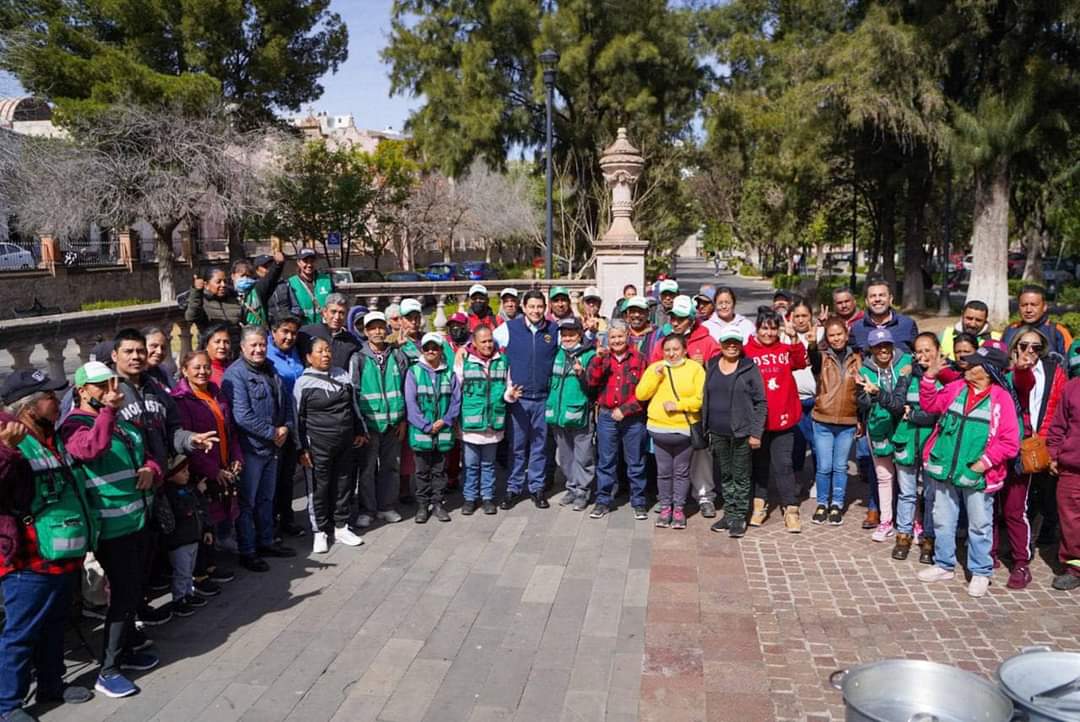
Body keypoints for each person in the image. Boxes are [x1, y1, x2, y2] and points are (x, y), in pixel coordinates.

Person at [0, 370, 95, 717]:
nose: (58, 401)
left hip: (62, 552)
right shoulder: (8, 438)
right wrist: (7, 450)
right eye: (50, 397)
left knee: (56, 623)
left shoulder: (48, 434)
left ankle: (51, 685)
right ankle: (7, 705)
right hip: (28, 560)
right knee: (20, 633)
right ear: (27, 406)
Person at [917, 345, 1020, 598]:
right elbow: (930, 405)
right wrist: (929, 377)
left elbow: (1009, 442)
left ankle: (981, 571)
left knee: (980, 524)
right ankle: (944, 564)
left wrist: (980, 465)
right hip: (945, 468)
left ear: (987, 371)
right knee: (942, 518)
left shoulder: (1000, 398)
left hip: (978, 474)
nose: (967, 367)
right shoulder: (956, 388)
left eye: (974, 364)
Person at [220, 327, 296, 572]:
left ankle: (266, 541)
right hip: (251, 449)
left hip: (273, 447)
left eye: (262, 344)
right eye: (252, 345)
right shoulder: (235, 375)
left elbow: (284, 400)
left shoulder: (270, 368)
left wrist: (286, 426)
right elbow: (241, 415)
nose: (258, 349)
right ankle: (248, 550)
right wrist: (272, 432)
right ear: (242, 347)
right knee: (247, 503)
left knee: (266, 499)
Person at [998, 327, 1067, 589]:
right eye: (1024, 345)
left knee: (1031, 503)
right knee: (1010, 505)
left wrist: (1050, 446)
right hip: (1009, 446)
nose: (1030, 351)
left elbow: (1058, 410)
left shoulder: (1053, 372)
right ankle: (1007, 550)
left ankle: (1022, 558)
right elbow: (1022, 385)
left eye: (1036, 347)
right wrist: (1020, 369)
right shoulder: (1005, 372)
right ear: (1015, 347)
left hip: (1039, 445)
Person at [171, 350, 242, 580]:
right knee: (203, 520)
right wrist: (213, 471)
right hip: (201, 472)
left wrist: (236, 458)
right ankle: (202, 572)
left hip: (223, 462)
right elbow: (188, 442)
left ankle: (213, 562)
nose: (203, 372)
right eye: (196, 368)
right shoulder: (181, 400)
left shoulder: (215, 392)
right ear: (184, 370)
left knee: (219, 516)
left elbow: (229, 431)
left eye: (206, 367)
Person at [648, 295, 721, 516]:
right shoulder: (663, 340)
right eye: (673, 317)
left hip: (696, 413)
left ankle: (704, 496)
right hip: (667, 415)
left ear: (691, 318)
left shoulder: (706, 341)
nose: (676, 322)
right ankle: (668, 500)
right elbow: (652, 369)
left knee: (701, 454)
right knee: (668, 464)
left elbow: (719, 370)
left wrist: (705, 366)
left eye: (681, 318)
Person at [293, 333, 366, 554]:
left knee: (344, 484)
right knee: (319, 488)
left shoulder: (342, 375)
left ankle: (341, 526)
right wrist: (301, 449)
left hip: (345, 443)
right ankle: (320, 531)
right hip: (318, 446)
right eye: (320, 351)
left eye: (328, 350)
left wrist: (360, 430)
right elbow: (297, 419)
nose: (326, 355)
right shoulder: (303, 383)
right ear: (308, 357)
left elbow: (354, 406)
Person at [493, 290, 559, 508]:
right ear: (523, 307)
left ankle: (537, 488)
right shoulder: (509, 329)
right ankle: (513, 487)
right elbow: (484, 341)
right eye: (531, 306)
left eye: (539, 306)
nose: (536, 311)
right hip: (519, 399)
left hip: (543, 397)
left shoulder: (553, 330)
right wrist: (463, 351)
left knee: (539, 446)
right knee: (517, 447)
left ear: (545, 307)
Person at [880, 332, 942, 564]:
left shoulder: (943, 378)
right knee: (906, 494)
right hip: (906, 442)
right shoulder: (907, 377)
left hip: (932, 446)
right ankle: (903, 536)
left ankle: (929, 539)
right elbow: (896, 406)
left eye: (928, 350)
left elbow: (938, 413)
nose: (923, 355)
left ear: (937, 351)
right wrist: (880, 395)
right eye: (919, 351)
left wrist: (913, 414)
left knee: (930, 495)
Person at [744, 308, 808, 531]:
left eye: (773, 328)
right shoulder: (747, 351)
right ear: (757, 328)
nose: (768, 333)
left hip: (783, 418)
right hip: (758, 421)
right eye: (764, 328)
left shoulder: (784, 349)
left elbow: (800, 362)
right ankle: (759, 506)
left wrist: (793, 338)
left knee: (783, 465)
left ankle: (791, 508)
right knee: (760, 465)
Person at [636, 334, 705, 530]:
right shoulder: (656, 367)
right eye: (667, 350)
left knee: (681, 473)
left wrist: (678, 405)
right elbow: (641, 394)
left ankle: (679, 510)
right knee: (664, 472)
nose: (671, 354)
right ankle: (665, 507)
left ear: (684, 350)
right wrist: (655, 375)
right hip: (659, 429)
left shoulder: (695, 369)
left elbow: (700, 400)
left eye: (676, 349)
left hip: (683, 430)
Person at [703, 329, 766, 538]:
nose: (732, 346)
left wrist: (756, 433)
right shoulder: (712, 365)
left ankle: (739, 515)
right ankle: (729, 513)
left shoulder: (749, 368)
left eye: (735, 342)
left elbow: (761, 402)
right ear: (721, 343)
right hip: (718, 430)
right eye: (728, 342)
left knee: (740, 475)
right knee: (726, 474)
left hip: (741, 432)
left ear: (740, 344)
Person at [349, 312, 408, 527]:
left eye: (381, 327)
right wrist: (359, 426)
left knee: (391, 467)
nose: (377, 332)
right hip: (369, 425)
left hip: (393, 423)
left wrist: (403, 420)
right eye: (372, 328)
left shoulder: (398, 356)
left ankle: (387, 506)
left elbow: (405, 389)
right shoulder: (359, 358)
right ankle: (367, 509)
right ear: (365, 332)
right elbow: (353, 393)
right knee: (367, 469)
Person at [586, 320, 648, 519]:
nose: (617, 340)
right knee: (606, 461)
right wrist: (597, 360)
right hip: (606, 416)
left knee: (636, 462)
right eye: (613, 337)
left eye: (620, 336)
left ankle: (638, 501)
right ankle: (603, 500)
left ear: (627, 336)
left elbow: (644, 392)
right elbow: (591, 381)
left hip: (632, 418)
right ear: (608, 339)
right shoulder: (602, 358)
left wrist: (625, 409)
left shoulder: (639, 358)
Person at [856, 328, 912, 542]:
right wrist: (868, 395)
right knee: (884, 476)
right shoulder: (865, 370)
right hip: (878, 426)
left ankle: (911, 522)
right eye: (878, 346)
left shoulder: (907, 361)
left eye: (886, 345)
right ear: (871, 349)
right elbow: (861, 403)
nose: (883, 350)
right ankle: (886, 521)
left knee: (907, 477)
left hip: (904, 426)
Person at [809, 317, 861, 526]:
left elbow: (862, 391)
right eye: (831, 335)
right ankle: (822, 503)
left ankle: (836, 504)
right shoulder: (822, 358)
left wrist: (860, 419)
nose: (836, 338)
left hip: (848, 421)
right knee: (824, 466)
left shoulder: (857, 359)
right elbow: (811, 357)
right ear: (827, 338)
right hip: (823, 419)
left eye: (839, 334)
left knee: (840, 466)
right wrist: (812, 343)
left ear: (846, 335)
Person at [405, 332, 462, 523]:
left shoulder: (449, 373)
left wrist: (445, 421)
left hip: (443, 431)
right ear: (422, 350)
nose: (431, 351)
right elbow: (410, 403)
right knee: (421, 471)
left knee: (440, 470)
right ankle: (422, 506)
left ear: (440, 350)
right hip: (422, 431)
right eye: (427, 347)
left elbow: (456, 401)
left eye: (435, 348)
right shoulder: (414, 372)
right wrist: (425, 425)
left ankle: (438, 503)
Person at [454, 325, 507, 515]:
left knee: (488, 464)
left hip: (494, 422)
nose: (487, 345)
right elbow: (456, 391)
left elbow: (507, 388)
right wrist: (455, 420)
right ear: (474, 342)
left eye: (490, 340)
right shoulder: (464, 361)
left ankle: (487, 497)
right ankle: (469, 498)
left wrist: (511, 395)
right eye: (483, 341)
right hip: (471, 425)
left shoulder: (502, 360)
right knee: (470, 464)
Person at [548, 318, 597, 511]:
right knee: (565, 456)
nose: (567, 338)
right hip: (558, 414)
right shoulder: (556, 353)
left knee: (583, 456)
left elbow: (594, 386)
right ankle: (572, 486)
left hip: (580, 413)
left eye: (572, 334)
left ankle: (583, 490)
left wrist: (582, 374)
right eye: (564, 334)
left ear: (580, 334)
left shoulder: (589, 355)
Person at [266, 317, 306, 537]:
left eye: (293, 332)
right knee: (273, 477)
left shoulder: (296, 352)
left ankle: (287, 519)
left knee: (288, 474)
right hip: (276, 424)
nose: (289, 337)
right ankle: (270, 522)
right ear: (273, 331)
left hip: (295, 422)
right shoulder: (265, 353)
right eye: (284, 331)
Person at [160, 455, 210, 618]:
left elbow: (199, 509)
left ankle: (188, 593)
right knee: (181, 572)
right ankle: (178, 599)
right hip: (179, 541)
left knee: (188, 570)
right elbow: (182, 511)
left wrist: (206, 529)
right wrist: (196, 492)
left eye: (187, 470)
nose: (187, 474)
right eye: (182, 471)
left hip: (192, 538)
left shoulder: (188, 489)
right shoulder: (170, 493)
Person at [1046, 370, 1080, 591]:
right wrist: (1054, 453)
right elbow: (1058, 425)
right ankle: (1075, 568)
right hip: (1072, 467)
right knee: (1071, 520)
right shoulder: (1072, 387)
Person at [786, 299, 817, 474]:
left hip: (815, 400)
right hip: (793, 400)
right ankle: (797, 478)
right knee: (796, 444)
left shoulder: (820, 334)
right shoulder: (784, 337)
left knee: (816, 444)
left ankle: (818, 480)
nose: (800, 319)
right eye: (796, 316)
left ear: (811, 317)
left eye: (804, 315)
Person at [851, 278, 919, 353]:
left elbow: (918, 354)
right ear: (867, 301)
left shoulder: (907, 324)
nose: (877, 299)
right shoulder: (857, 328)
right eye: (873, 296)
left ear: (890, 299)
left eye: (882, 295)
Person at [1002, 285, 1073, 356]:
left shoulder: (1057, 332)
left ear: (1044, 307)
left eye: (1034, 305)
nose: (1028, 310)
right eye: (1024, 305)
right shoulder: (1011, 330)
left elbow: (1070, 362)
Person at [186, 267, 244, 349]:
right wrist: (196, 292)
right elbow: (191, 316)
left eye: (225, 281)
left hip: (234, 351)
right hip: (211, 351)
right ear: (206, 285)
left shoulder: (234, 300)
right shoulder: (202, 301)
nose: (223, 285)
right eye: (218, 282)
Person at [273, 248, 334, 326]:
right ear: (298, 263)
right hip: (303, 329)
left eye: (312, 261)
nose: (309, 265)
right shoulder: (290, 283)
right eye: (305, 261)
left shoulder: (327, 280)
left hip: (325, 327)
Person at [300, 293, 359, 370]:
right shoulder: (306, 333)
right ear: (325, 312)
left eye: (341, 313)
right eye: (333, 312)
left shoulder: (352, 342)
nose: (337, 317)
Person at [241, 251, 286, 329]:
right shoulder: (254, 287)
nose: (269, 270)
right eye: (265, 267)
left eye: (270, 266)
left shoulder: (281, 284)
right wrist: (277, 265)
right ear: (256, 269)